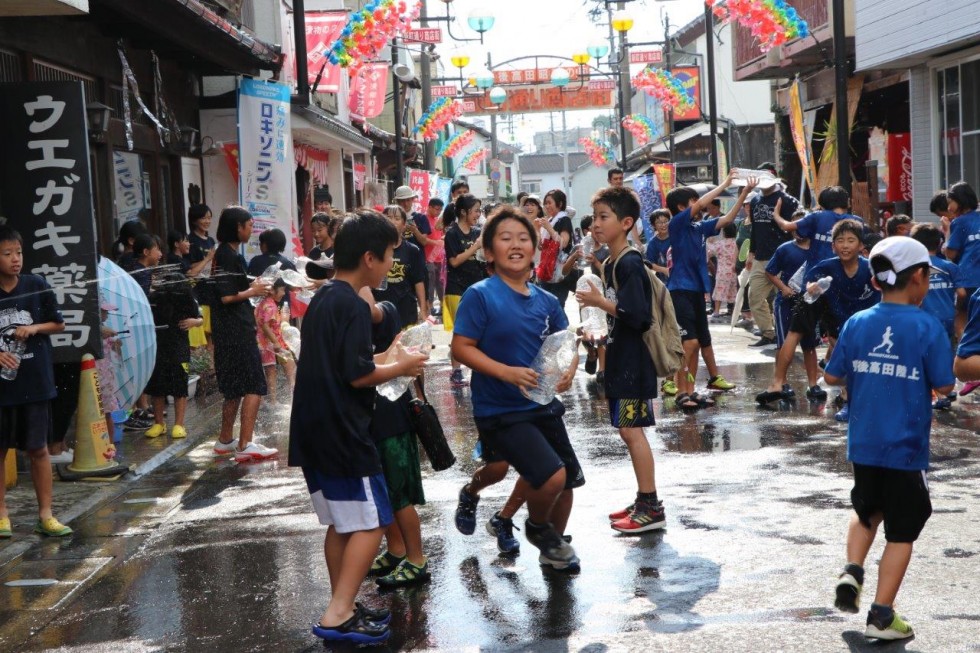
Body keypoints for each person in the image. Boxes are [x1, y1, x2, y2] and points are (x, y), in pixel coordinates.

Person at [288, 210, 427, 644]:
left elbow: (346, 365)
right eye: (388, 256)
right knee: (371, 522)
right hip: (343, 432)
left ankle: (342, 603)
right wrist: (402, 364)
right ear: (369, 258)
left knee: (344, 524)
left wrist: (387, 358)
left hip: (315, 430)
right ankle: (337, 613)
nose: (391, 264)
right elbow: (357, 376)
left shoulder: (327, 298)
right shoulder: (350, 304)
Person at [825, 236, 953, 641]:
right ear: (917, 277)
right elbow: (946, 385)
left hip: (863, 442)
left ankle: (852, 569)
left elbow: (831, 375)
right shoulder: (926, 326)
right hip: (905, 448)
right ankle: (882, 615)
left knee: (866, 508)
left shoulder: (858, 322)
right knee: (902, 529)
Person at [452, 205, 582, 570]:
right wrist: (506, 373)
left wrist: (569, 369)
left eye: (523, 238)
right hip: (500, 409)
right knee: (542, 474)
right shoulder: (480, 294)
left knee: (565, 483)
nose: (516, 244)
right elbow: (460, 348)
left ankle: (551, 553)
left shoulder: (545, 300)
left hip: (542, 404)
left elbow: (565, 342)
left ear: (535, 248)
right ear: (489, 252)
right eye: (505, 238)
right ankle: (536, 528)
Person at [576, 186, 665, 532]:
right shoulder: (613, 261)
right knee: (629, 431)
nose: (595, 225)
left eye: (604, 217)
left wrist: (600, 303)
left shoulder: (629, 261)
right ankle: (644, 500)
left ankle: (651, 506)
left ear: (626, 222)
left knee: (632, 433)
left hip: (633, 362)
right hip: (620, 359)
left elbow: (637, 316)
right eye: (594, 217)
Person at [758, 220, 880, 418]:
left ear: (861, 246)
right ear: (833, 246)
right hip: (826, 310)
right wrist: (812, 287)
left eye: (851, 240)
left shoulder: (871, 269)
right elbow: (810, 282)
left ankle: (850, 394)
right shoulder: (826, 266)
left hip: (860, 317)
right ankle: (777, 383)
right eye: (840, 241)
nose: (845, 245)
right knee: (794, 333)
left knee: (854, 353)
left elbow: (885, 290)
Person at [0, 224, 72, 539]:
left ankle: (46, 515)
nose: (15, 259)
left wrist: (34, 328)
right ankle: (1, 516)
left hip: (35, 382)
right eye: (6, 254)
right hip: (3, 387)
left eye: (18, 253)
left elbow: (58, 323)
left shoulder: (35, 284)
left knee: (39, 449)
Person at [360, 291, 430, 588]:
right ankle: (397, 548)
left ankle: (416, 559)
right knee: (384, 492)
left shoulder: (384, 310)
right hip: (370, 420)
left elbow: (369, 308)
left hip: (393, 420)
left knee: (400, 495)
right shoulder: (350, 323)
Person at [664, 172, 749, 409]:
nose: (699, 204)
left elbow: (728, 219)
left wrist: (743, 193)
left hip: (696, 291)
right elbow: (703, 203)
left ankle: (690, 391)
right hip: (680, 289)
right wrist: (726, 183)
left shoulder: (699, 227)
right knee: (688, 343)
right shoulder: (677, 224)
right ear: (681, 207)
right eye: (693, 201)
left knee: (698, 343)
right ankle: (681, 391)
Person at [210, 206, 278, 463]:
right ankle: (245, 444)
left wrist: (252, 287)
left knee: (233, 388)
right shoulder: (229, 256)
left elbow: (230, 290)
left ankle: (225, 440)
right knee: (254, 385)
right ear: (237, 227)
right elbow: (227, 296)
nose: (251, 230)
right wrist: (254, 291)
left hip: (226, 331)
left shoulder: (223, 254)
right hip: (236, 331)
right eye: (249, 225)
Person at [144, 269, 203, 440]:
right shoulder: (155, 298)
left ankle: (179, 424)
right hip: (159, 346)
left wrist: (194, 322)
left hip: (179, 347)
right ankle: (159, 423)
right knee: (157, 387)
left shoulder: (186, 298)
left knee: (179, 387)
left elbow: (199, 318)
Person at [761, 229, 819, 398]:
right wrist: (784, 288)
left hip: (810, 302)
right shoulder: (784, 249)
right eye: (796, 229)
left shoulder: (818, 249)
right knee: (783, 343)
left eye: (804, 227)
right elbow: (769, 271)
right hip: (786, 303)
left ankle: (813, 384)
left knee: (810, 346)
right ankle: (782, 382)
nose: (799, 232)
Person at [745, 173, 800, 348]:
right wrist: (751, 252)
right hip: (760, 257)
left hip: (782, 256)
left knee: (783, 297)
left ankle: (786, 330)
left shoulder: (787, 200)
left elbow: (797, 225)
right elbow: (755, 229)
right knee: (754, 295)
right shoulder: (755, 200)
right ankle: (768, 333)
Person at [911, 223, 960, 409]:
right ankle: (947, 388)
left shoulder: (915, 268)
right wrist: (956, 309)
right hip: (947, 318)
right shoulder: (949, 267)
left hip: (924, 320)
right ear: (939, 243)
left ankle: (940, 395)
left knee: (925, 355)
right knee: (946, 353)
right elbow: (962, 293)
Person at [443, 194, 486, 387]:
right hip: (456, 287)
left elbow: (483, 259)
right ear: (463, 212)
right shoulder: (452, 233)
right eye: (475, 210)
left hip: (477, 286)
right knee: (460, 331)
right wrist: (475, 247)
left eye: (479, 210)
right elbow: (454, 261)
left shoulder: (478, 232)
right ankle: (456, 370)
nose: (478, 214)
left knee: (479, 329)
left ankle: (480, 367)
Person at [373, 205, 427, 328]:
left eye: (397, 218)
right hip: (381, 309)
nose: (392, 221)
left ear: (404, 225)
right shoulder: (374, 249)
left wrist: (423, 311)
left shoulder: (412, 250)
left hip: (406, 308)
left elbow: (418, 281)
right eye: (388, 217)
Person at [943, 181, 980, 339]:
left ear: (960, 200)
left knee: (962, 318)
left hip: (968, 279)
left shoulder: (960, 222)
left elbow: (950, 253)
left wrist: (946, 231)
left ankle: (963, 355)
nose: (949, 207)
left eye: (950, 202)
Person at [255, 279, 296, 402]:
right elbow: (265, 325)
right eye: (283, 290)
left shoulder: (264, 303)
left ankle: (274, 399)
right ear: (272, 290)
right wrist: (276, 342)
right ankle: (286, 397)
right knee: (277, 368)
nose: (284, 293)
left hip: (266, 342)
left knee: (273, 369)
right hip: (269, 342)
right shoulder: (270, 306)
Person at [538, 189, 578, 308]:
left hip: (559, 271)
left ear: (560, 204)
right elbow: (541, 246)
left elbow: (563, 243)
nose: (546, 206)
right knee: (546, 306)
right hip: (546, 269)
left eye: (550, 202)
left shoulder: (564, 220)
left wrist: (549, 228)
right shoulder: (549, 220)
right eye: (545, 203)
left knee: (557, 306)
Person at [185, 204, 216, 349]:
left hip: (210, 289)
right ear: (194, 220)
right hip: (197, 290)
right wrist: (207, 259)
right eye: (203, 218)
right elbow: (189, 269)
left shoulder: (210, 241)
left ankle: (211, 368)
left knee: (211, 333)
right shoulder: (190, 241)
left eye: (209, 218)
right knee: (198, 332)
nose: (207, 221)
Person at [706, 223, 738, 322]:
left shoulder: (721, 244)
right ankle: (732, 311)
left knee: (719, 291)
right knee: (733, 291)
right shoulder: (736, 243)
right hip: (734, 271)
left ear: (723, 233)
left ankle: (716, 312)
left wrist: (709, 241)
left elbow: (710, 251)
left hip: (722, 272)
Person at [423, 198, 446, 315]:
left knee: (440, 283)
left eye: (440, 210)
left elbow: (441, 236)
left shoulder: (438, 220)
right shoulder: (424, 219)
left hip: (439, 257)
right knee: (430, 283)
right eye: (437, 209)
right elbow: (422, 240)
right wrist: (436, 242)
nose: (438, 212)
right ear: (430, 207)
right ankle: (430, 307)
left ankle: (443, 306)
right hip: (428, 258)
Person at [307, 212, 341, 285]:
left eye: (319, 230)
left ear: (329, 228)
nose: (316, 234)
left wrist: (325, 282)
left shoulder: (337, 250)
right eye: (313, 231)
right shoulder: (313, 252)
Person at [644, 209, 671, 283]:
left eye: (666, 221)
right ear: (653, 225)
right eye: (659, 222)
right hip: (664, 281)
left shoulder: (676, 237)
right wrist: (665, 270)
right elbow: (651, 264)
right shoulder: (652, 244)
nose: (663, 225)